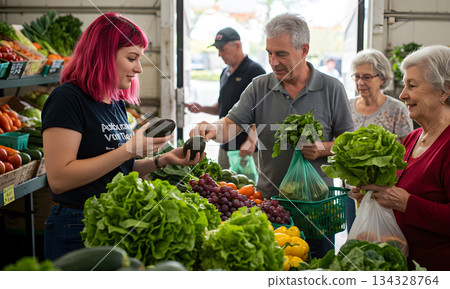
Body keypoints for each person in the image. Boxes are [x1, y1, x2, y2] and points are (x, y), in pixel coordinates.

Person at [190, 13, 354, 258]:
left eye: (281, 54)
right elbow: (232, 124)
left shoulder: (331, 88)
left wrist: (323, 148)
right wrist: (213, 129)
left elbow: (348, 141)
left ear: (304, 50)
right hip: (270, 203)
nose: (273, 61)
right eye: (269, 53)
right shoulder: (259, 86)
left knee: (319, 267)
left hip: (317, 207)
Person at [42, 13, 204, 261]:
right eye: (132, 58)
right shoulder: (67, 99)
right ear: (104, 54)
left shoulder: (115, 102)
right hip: (77, 225)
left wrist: (163, 160)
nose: (139, 68)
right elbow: (60, 179)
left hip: (113, 221)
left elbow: (118, 170)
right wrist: (129, 149)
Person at [351, 45, 450, 270]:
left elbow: (406, 201)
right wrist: (371, 194)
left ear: (444, 91)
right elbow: (395, 193)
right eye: (404, 85)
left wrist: (407, 203)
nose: (402, 94)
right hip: (401, 266)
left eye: (412, 86)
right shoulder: (412, 139)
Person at [345, 48, 414, 233]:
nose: (360, 82)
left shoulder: (397, 109)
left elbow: (407, 153)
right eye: (357, 76)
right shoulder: (347, 105)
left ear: (382, 78)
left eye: (367, 77)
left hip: (383, 195)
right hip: (352, 193)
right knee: (355, 242)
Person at [185, 27, 265, 170]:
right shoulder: (225, 72)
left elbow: (262, 110)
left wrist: (251, 141)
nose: (219, 54)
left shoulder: (255, 71)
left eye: (223, 49)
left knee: (249, 188)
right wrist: (202, 108)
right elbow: (221, 107)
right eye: (218, 50)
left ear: (238, 45)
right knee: (223, 186)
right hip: (224, 145)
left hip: (245, 147)